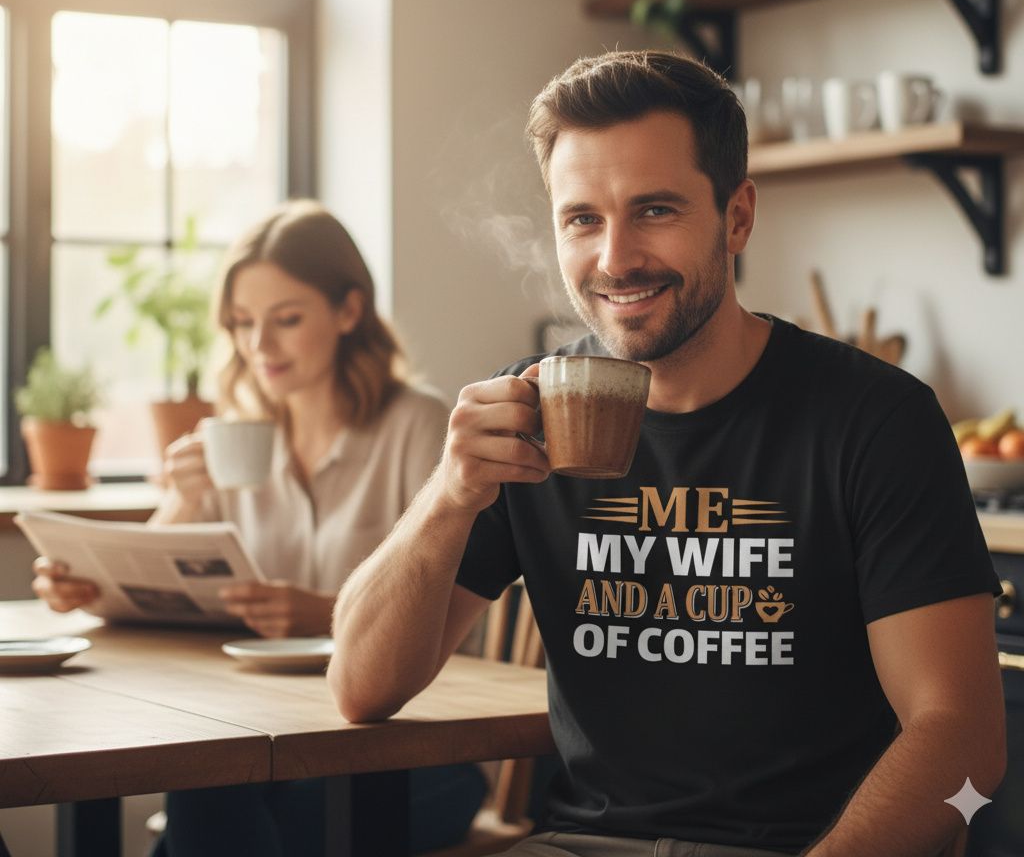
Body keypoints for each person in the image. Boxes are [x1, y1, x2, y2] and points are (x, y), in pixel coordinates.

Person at [329, 51, 1006, 857]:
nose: (615, 258)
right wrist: (448, 495)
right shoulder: (527, 414)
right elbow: (361, 689)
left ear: (737, 217)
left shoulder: (876, 421)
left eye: (654, 210)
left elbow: (968, 746)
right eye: (582, 219)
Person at [32, 199, 487, 856]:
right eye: (243, 323)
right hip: (263, 737)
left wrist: (321, 613)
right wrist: (96, 574)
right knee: (208, 776)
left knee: (214, 801)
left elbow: (454, 617)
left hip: (406, 749)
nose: (258, 346)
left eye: (286, 320)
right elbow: (165, 587)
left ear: (349, 311)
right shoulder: (231, 439)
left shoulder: (417, 424)